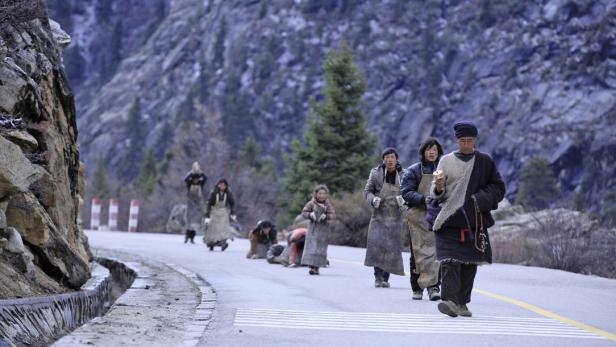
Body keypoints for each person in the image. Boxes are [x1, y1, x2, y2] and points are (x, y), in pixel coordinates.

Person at [430, 121, 506, 318]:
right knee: (449, 261)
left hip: (473, 220)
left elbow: (498, 188)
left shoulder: (485, 162)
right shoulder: (445, 161)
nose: (465, 144)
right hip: (449, 219)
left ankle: (462, 303)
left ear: (475, 140)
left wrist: (479, 199)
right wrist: (438, 187)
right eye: (462, 141)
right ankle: (450, 301)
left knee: (469, 263)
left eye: (469, 141)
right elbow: (436, 194)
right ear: (456, 141)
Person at [401, 138, 444, 300]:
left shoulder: (443, 170)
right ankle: (417, 288)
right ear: (423, 152)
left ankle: (434, 288)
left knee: (436, 254)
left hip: (437, 217)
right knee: (418, 253)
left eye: (434, 149)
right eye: (428, 149)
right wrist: (423, 199)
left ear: (438, 151)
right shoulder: (413, 171)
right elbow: (405, 192)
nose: (432, 152)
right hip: (417, 218)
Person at [363, 148, 406, 288]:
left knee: (391, 248)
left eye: (392, 157)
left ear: (396, 159)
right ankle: (378, 277)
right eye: (387, 157)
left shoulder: (404, 174)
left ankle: (386, 278)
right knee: (376, 246)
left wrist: (403, 200)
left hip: (395, 217)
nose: (390, 159)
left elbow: (409, 191)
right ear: (383, 160)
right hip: (379, 215)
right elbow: (367, 191)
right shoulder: (375, 173)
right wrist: (373, 199)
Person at [301, 184, 335, 275]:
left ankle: (317, 268)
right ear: (316, 194)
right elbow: (303, 213)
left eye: (324, 194)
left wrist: (326, 216)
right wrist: (310, 215)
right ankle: (311, 267)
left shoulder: (328, 205)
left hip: (323, 230)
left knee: (320, 249)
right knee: (311, 248)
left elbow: (333, 215)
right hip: (313, 229)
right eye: (320, 193)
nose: (322, 196)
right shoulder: (311, 203)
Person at [203, 179, 236, 251]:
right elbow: (209, 204)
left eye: (224, 185)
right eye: (220, 185)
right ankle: (211, 242)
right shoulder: (213, 193)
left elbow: (232, 203)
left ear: (226, 186)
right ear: (218, 185)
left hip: (223, 212)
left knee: (223, 228)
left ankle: (223, 242)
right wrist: (207, 216)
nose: (222, 186)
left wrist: (233, 213)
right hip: (214, 211)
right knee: (212, 227)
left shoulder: (228, 194)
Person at [183, 161, 207, 244]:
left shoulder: (201, 183)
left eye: (197, 179)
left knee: (195, 221)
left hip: (198, 202)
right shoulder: (189, 182)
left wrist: (200, 172)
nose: (196, 181)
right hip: (190, 202)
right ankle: (187, 236)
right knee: (189, 220)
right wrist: (191, 173)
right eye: (195, 179)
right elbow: (185, 179)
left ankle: (192, 237)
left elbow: (205, 178)